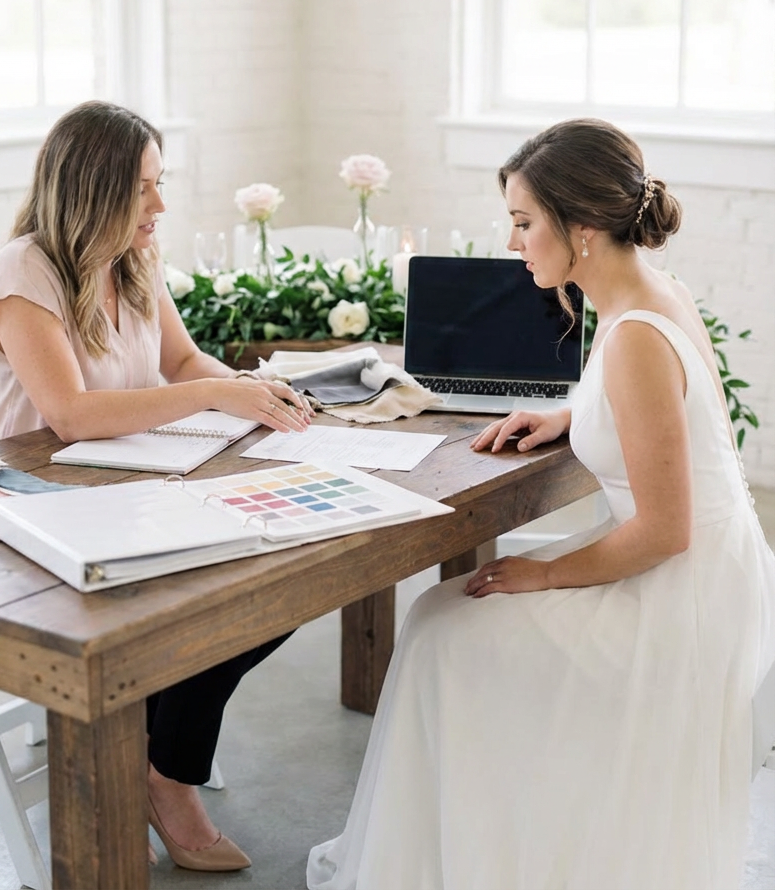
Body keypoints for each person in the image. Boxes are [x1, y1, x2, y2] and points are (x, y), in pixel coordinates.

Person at [307, 118, 775, 890]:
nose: (515, 242)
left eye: (525, 223)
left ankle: (457, 860)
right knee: (439, 622)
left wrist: (540, 575)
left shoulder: (633, 339)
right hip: (707, 568)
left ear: (582, 228)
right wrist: (571, 415)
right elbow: (671, 420)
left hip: (683, 593)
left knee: (439, 630)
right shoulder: (652, 296)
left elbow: (666, 530)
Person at [0, 100, 314, 872]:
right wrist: (212, 397)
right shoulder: (23, 269)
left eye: (160, 184)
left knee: (279, 576)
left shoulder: (134, 257)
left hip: (121, 488)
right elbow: (69, 415)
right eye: (142, 190)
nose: (160, 206)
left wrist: (251, 391)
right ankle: (168, 777)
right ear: (92, 191)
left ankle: (157, 764)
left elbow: (185, 363)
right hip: (28, 500)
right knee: (196, 594)